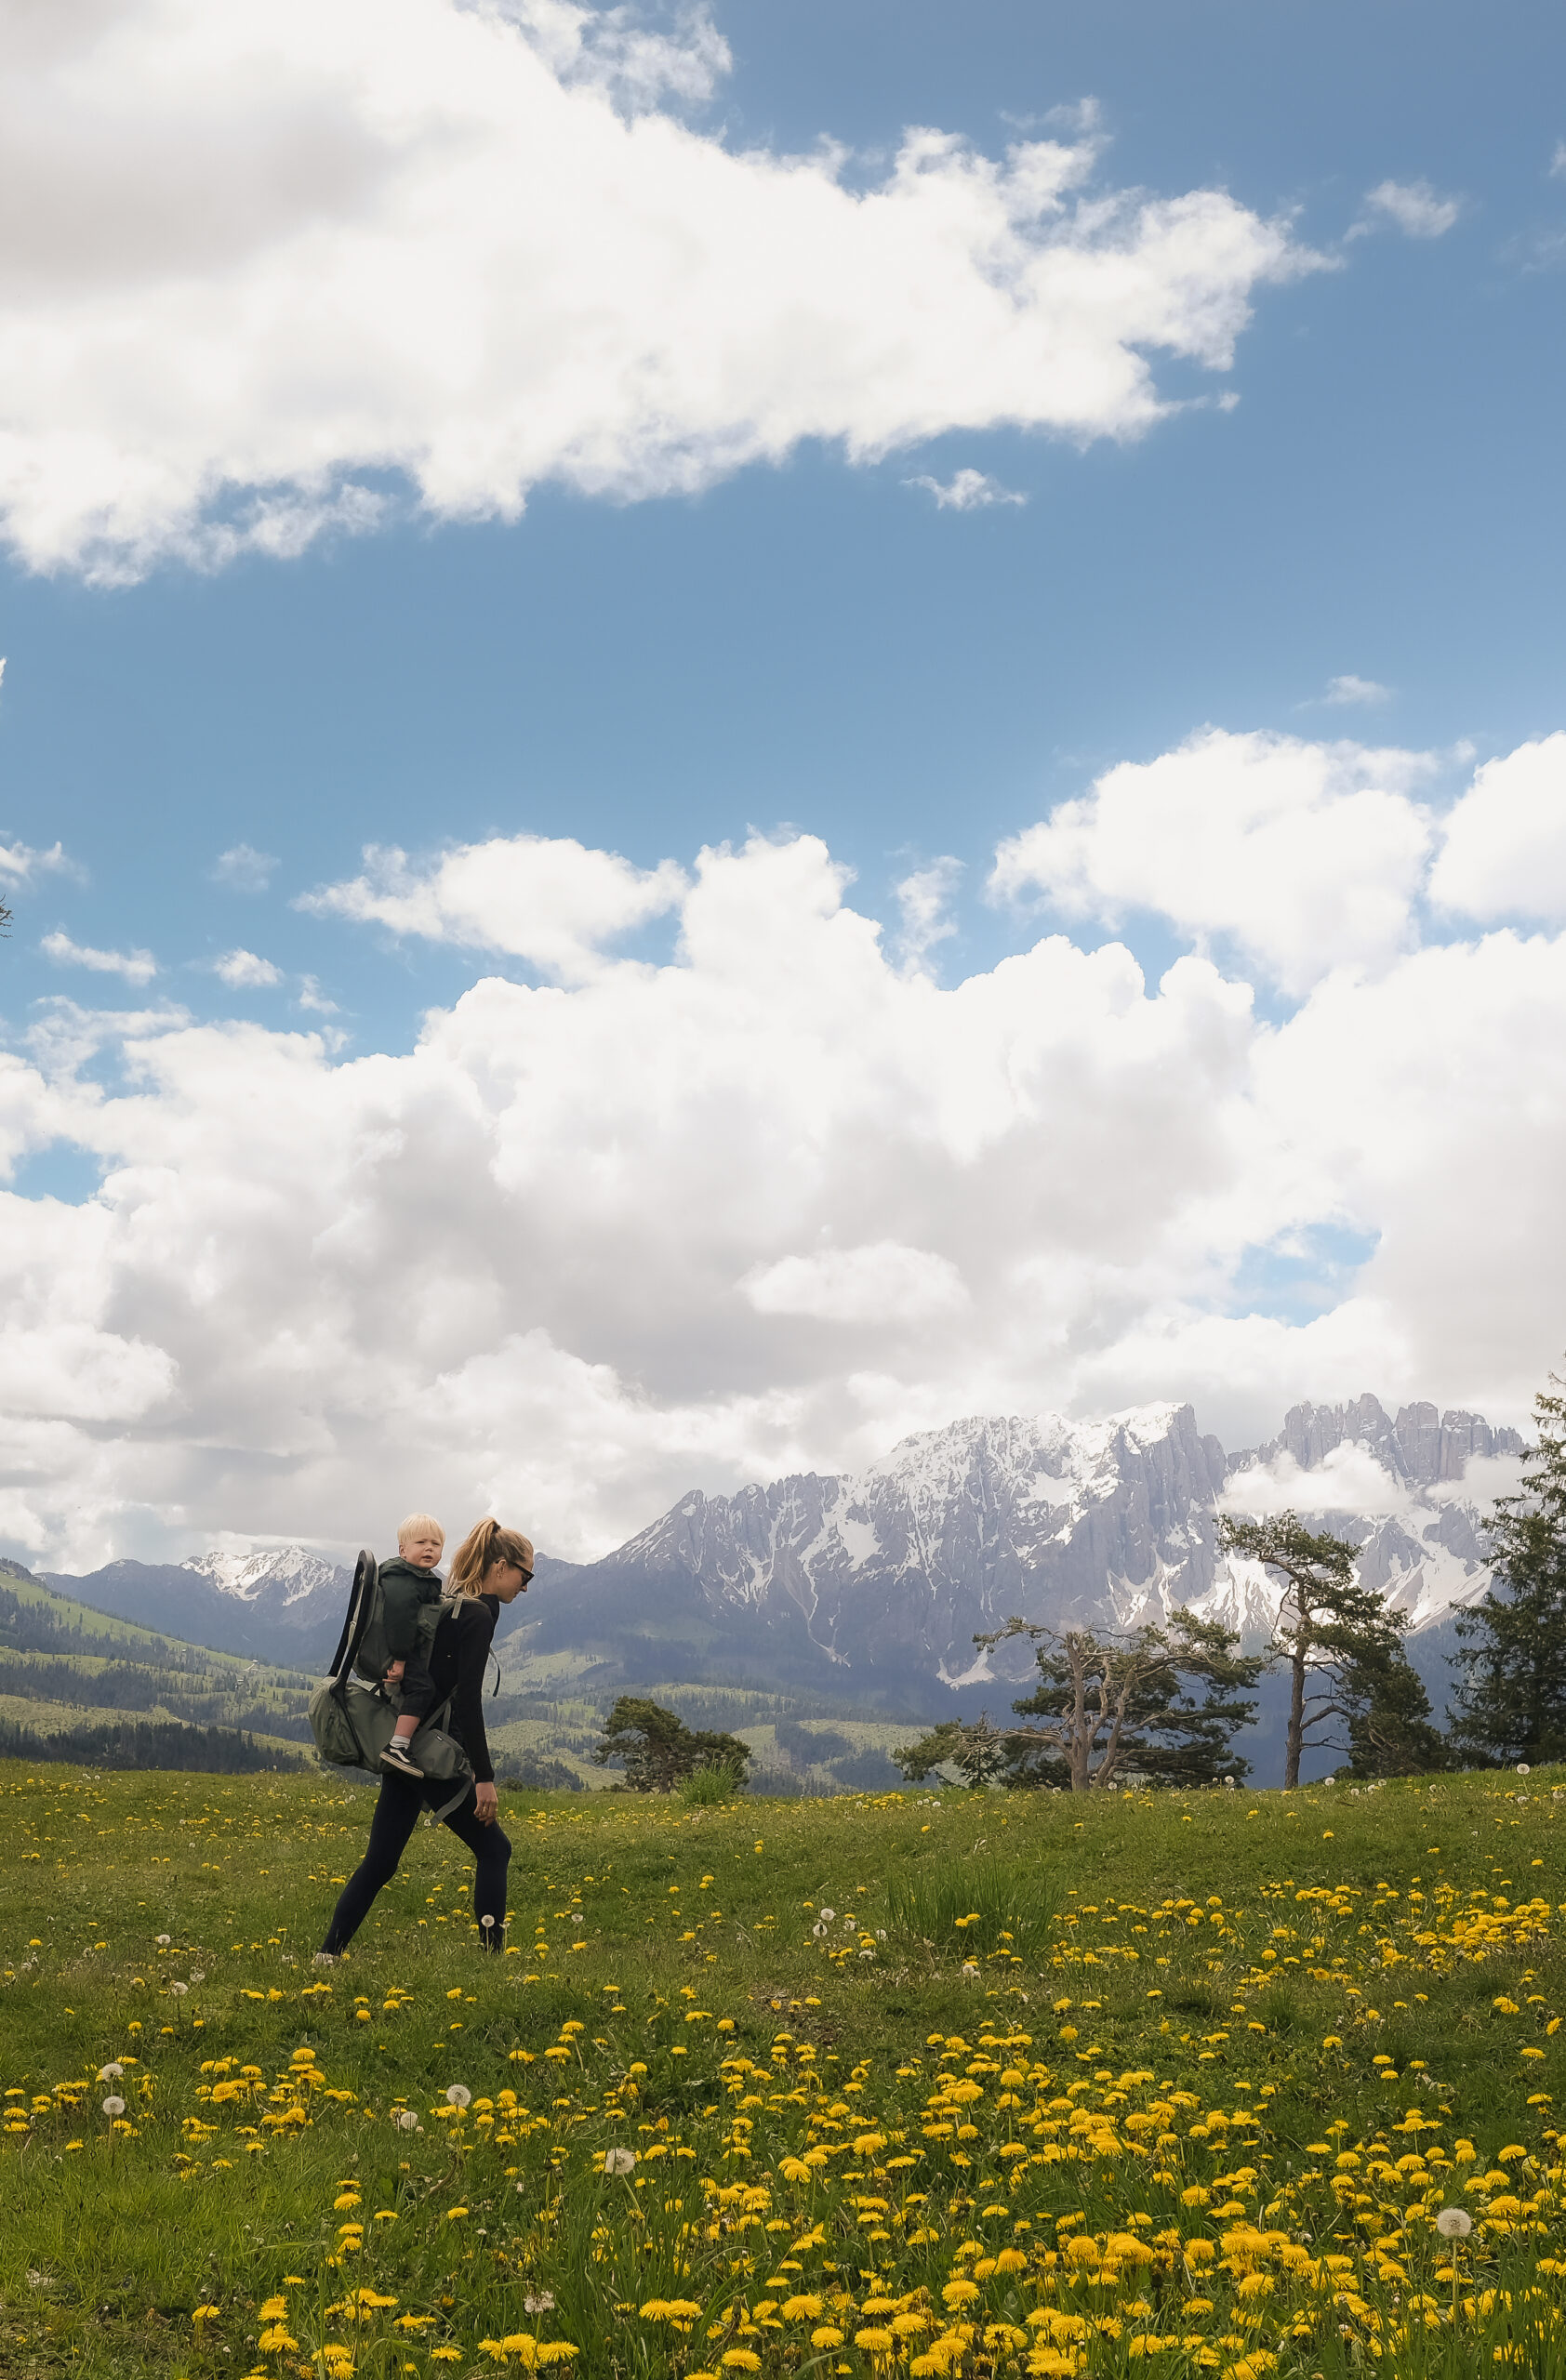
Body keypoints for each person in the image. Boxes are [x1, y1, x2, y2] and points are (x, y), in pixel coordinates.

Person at [317, 1518, 535, 1960]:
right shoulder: (477, 1613)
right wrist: (484, 1778)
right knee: (495, 1849)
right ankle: (493, 1962)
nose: (526, 1586)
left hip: (408, 1750)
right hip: (426, 1754)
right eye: (524, 1574)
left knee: (380, 1864)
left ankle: (327, 1956)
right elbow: (469, 1702)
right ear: (500, 1566)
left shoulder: (454, 1602)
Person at [375, 1511, 447, 1778]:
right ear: (403, 1550)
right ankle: (398, 1746)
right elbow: (400, 1621)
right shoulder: (405, 1582)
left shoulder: (411, 1577)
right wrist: (400, 1660)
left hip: (396, 1651)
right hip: (397, 1652)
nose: (429, 1548)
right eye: (421, 1543)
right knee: (422, 1689)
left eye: (436, 1544)